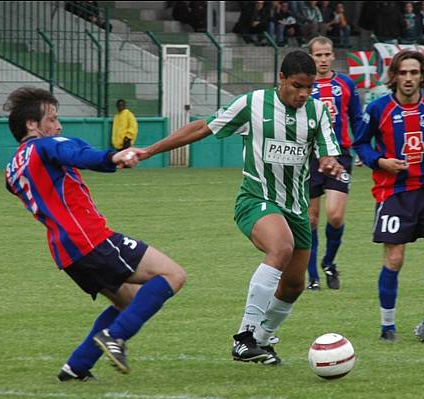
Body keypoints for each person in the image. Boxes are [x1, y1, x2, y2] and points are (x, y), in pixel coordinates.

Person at [137, 50, 344, 364]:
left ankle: (261, 340)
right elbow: (201, 128)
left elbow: (329, 152)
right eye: (298, 86)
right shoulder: (252, 104)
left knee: (293, 286)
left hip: (296, 207)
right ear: (282, 79)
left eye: (309, 88)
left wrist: (329, 162)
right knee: (281, 247)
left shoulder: (318, 111)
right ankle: (245, 336)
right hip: (256, 199)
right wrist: (150, 151)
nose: (304, 94)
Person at [3, 87, 186, 380]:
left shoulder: (12, 169)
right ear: (31, 125)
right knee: (173, 275)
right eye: (52, 119)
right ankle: (116, 336)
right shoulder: (43, 147)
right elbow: (75, 152)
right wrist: (114, 157)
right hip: (89, 239)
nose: (58, 126)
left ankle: (76, 367)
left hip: (66, 253)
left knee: (127, 301)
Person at [353, 50, 424, 344]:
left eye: (414, 73)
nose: (408, 79)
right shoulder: (378, 109)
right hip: (394, 193)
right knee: (395, 259)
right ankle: (388, 326)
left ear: (422, 76)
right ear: (394, 76)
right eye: (403, 73)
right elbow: (361, 143)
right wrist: (380, 161)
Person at [305, 36, 362, 291]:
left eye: (327, 54)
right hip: (309, 158)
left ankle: (329, 262)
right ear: (311, 57)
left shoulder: (346, 84)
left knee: (335, 216)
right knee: (311, 220)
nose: (324, 59)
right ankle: (313, 277)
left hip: (340, 156)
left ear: (333, 55)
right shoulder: (303, 84)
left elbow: (357, 119)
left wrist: (363, 148)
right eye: (318, 55)